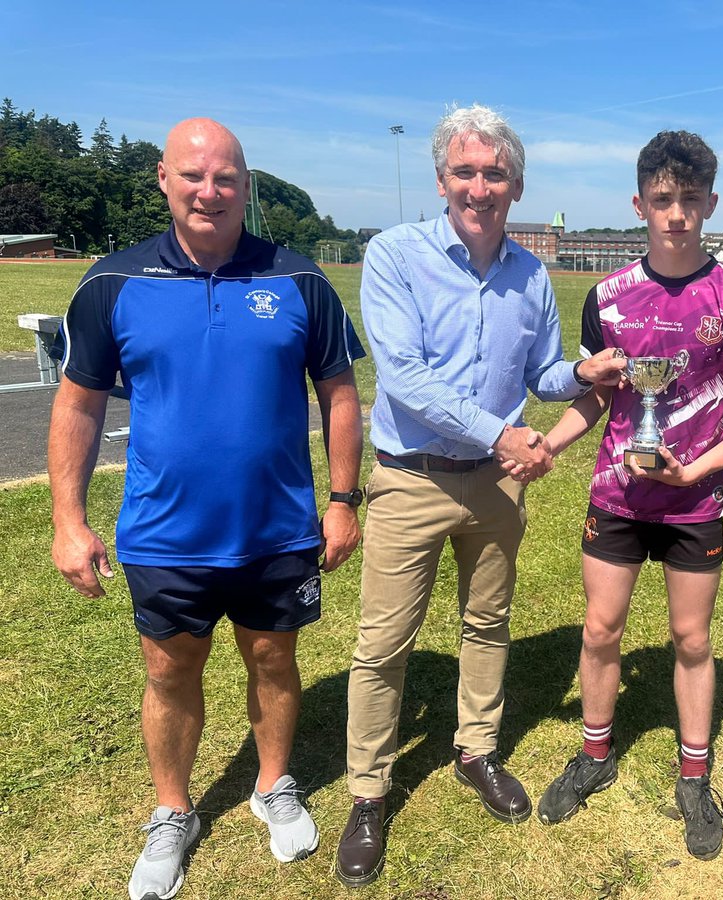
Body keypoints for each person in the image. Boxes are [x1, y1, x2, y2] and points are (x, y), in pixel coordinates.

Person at [48, 118, 366, 900]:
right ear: (164, 180)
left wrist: (343, 499)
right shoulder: (113, 282)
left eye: (226, 177)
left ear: (246, 186)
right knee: (169, 672)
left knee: (275, 661)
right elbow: (79, 404)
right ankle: (171, 810)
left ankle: (273, 784)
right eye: (193, 176)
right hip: (165, 535)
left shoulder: (299, 280)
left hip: (279, 528)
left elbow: (340, 393)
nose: (210, 190)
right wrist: (67, 519)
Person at [336, 104, 626, 887]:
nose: (480, 186)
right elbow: (403, 376)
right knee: (382, 644)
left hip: (498, 486)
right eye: (465, 171)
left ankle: (477, 751)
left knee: (488, 621)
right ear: (441, 180)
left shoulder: (532, 275)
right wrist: (503, 435)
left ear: (517, 185)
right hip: (412, 477)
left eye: (495, 173)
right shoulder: (394, 254)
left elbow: (542, 374)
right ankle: (368, 792)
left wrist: (583, 375)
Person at [529, 130, 723, 861]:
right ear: (639, 203)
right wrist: (549, 443)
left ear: (711, 204)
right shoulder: (606, 298)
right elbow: (599, 401)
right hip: (615, 498)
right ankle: (595, 756)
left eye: (690, 200)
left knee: (693, 640)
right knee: (601, 631)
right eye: (663, 200)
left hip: (693, 504)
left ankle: (694, 776)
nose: (677, 214)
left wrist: (694, 472)